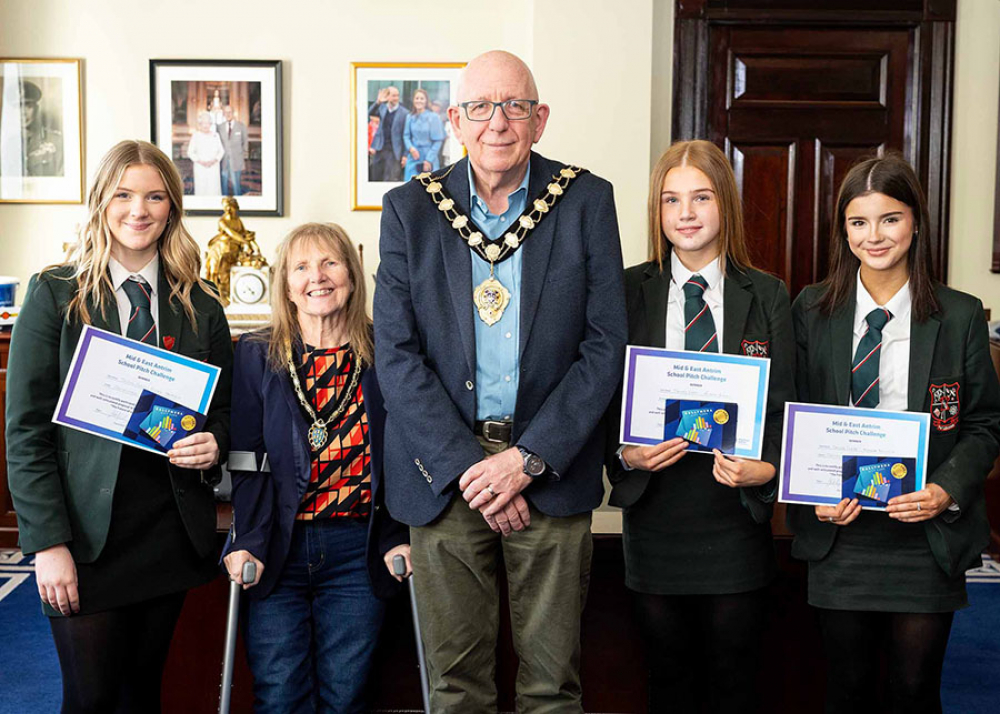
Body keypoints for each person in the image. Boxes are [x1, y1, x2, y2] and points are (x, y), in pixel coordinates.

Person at [374, 50, 627, 713]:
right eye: (481, 107)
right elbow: (396, 355)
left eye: (515, 106)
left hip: (550, 468)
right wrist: (472, 469)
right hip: (444, 476)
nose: (498, 122)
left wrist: (527, 460)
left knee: (552, 686)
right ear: (455, 121)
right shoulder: (409, 209)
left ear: (539, 120)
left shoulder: (585, 200)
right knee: (455, 688)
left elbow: (605, 345)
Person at [6, 139, 233, 712]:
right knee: (90, 701)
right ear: (101, 201)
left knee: (143, 697)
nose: (139, 210)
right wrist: (47, 543)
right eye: (124, 195)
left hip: (168, 532)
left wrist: (214, 444)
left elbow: (225, 412)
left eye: (155, 196)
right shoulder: (56, 293)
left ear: (172, 206)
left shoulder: (201, 303)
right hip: (85, 537)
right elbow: (26, 431)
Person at [788, 153, 1000, 714]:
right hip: (841, 534)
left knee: (913, 691)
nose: (874, 236)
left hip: (923, 538)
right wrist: (813, 493)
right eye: (858, 222)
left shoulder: (959, 316)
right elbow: (792, 413)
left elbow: (984, 425)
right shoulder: (811, 309)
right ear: (844, 230)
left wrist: (946, 489)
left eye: (890, 219)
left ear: (915, 222)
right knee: (847, 689)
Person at [604, 139, 794, 713]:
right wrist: (624, 455)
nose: (685, 213)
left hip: (732, 515)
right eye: (671, 200)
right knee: (668, 679)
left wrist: (768, 467)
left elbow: (783, 404)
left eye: (701, 197)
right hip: (656, 513)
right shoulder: (624, 290)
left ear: (725, 204)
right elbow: (597, 396)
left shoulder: (767, 294)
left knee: (734, 681)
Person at [223, 222, 410, 713]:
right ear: (286, 285)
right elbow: (246, 459)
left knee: (346, 697)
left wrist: (397, 534)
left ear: (352, 274)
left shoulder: (387, 351)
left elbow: (405, 453)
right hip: (278, 545)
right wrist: (249, 539)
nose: (317, 277)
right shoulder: (256, 354)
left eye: (330, 262)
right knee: (279, 694)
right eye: (301, 267)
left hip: (357, 548)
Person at [17, 79, 64, 177]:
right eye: (19, 107)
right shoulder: (6, 144)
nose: (23, 113)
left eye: (28, 106)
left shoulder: (56, 141)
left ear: (36, 109)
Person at [402, 88, 445, 182]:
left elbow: (438, 141)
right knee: (410, 185)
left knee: (429, 186)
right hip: (414, 156)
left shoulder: (433, 117)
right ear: (413, 100)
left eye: (422, 98)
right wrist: (411, 148)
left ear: (426, 101)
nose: (419, 101)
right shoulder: (409, 117)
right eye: (417, 98)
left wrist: (429, 160)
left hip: (429, 157)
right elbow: (406, 136)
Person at [367, 85, 408, 182]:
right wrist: (378, 102)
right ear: (387, 97)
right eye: (393, 96)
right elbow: (370, 113)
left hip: (394, 152)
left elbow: (406, 135)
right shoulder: (382, 108)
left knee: (390, 179)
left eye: (397, 95)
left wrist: (405, 155)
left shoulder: (405, 113)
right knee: (375, 177)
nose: (396, 98)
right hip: (379, 149)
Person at [186, 110, 224, 195]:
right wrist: (201, 162)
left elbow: (221, 151)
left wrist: (214, 161)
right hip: (200, 167)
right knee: (201, 188)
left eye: (208, 123)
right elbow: (190, 152)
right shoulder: (196, 136)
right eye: (203, 123)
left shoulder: (216, 135)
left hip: (213, 166)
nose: (206, 125)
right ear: (200, 124)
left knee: (214, 188)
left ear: (210, 124)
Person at [218, 105, 248, 196]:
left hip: (237, 160)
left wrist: (243, 156)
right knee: (223, 184)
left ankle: (238, 201)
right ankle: (223, 201)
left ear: (233, 113)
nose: (228, 114)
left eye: (230, 112)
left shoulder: (241, 126)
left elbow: (245, 142)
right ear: (223, 114)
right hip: (224, 160)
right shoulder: (220, 127)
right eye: (225, 112)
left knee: (236, 184)